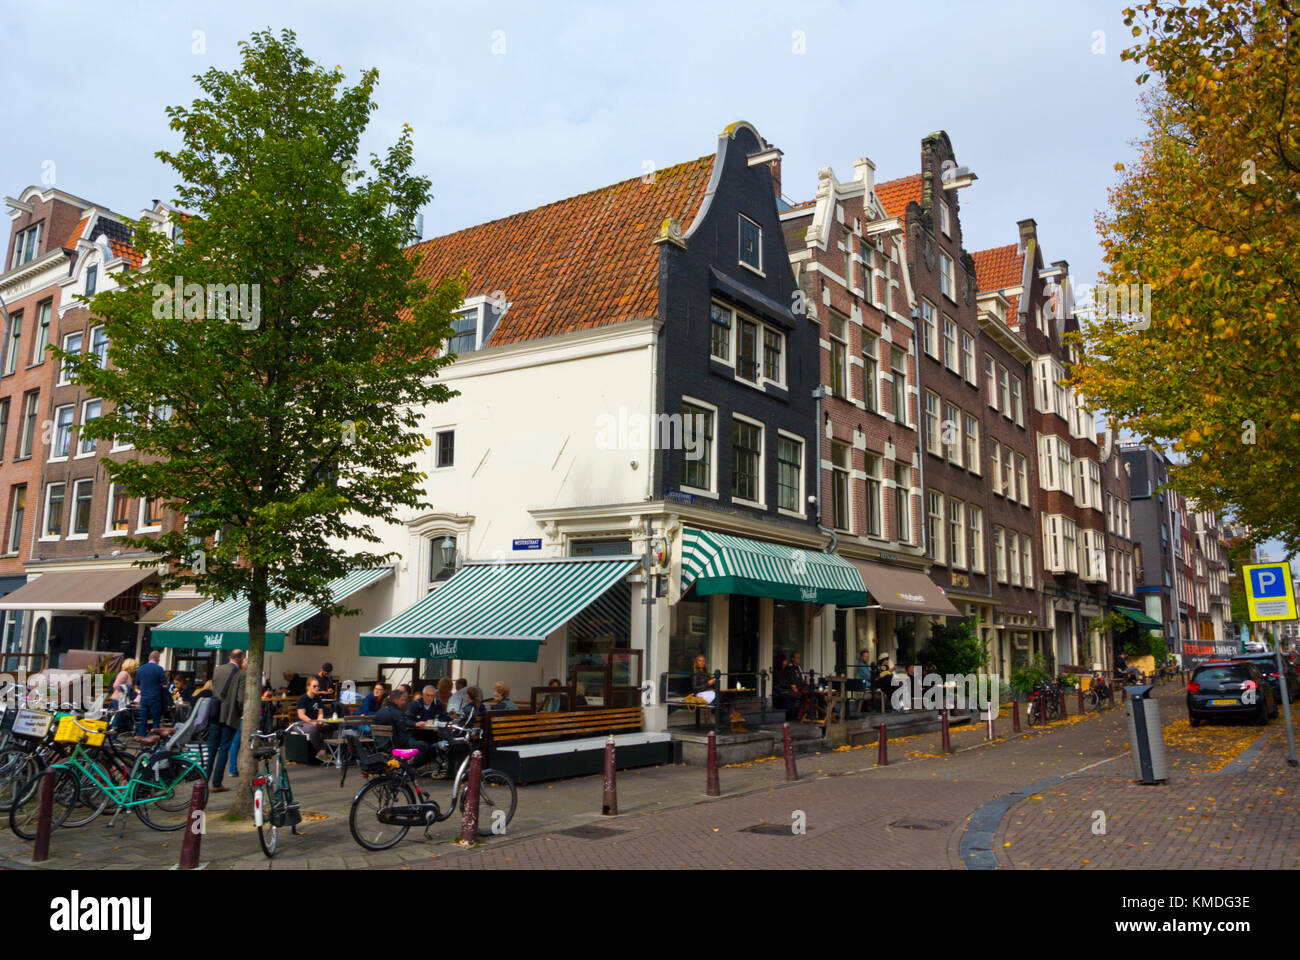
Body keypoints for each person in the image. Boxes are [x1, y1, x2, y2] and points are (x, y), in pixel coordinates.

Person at [206, 649, 246, 792]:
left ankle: (204, 780)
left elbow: (215, 689)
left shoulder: (218, 670)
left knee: (211, 749)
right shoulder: (242, 675)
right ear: (241, 659)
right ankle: (216, 783)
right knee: (224, 749)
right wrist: (241, 712)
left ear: (230, 657)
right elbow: (240, 699)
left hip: (215, 713)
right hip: (230, 716)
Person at [373, 687, 440, 768]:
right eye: (402, 700)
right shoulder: (397, 714)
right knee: (426, 747)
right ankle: (410, 767)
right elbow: (402, 737)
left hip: (381, 746)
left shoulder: (380, 712)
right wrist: (407, 750)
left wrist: (414, 724)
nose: (403, 702)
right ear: (395, 700)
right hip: (395, 747)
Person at [292, 677, 333, 763]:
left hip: (314, 721)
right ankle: (319, 751)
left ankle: (323, 750)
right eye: (314, 686)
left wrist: (320, 720)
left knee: (328, 727)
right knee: (313, 730)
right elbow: (301, 715)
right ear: (308, 687)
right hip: (301, 723)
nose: (317, 688)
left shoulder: (317, 699)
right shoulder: (303, 699)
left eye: (318, 686)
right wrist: (313, 723)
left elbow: (320, 712)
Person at [135, 651, 167, 737]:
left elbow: (137, 685)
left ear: (149, 658)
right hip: (155, 698)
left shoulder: (141, 668)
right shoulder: (159, 669)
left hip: (144, 698)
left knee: (143, 720)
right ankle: (154, 739)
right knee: (156, 720)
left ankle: (142, 740)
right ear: (158, 659)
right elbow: (164, 685)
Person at [110, 659, 137, 733]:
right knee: (118, 718)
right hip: (119, 699)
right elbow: (115, 685)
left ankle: (114, 737)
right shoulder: (124, 674)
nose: (134, 668)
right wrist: (125, 691)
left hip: (120, 699)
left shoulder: (126, 674)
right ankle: (113, 737)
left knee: (119, 717)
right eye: (134, 666)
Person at [856, 650, 875, 715]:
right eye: (865, 656)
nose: (867, 658)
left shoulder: (865, 665)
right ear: (861, 657)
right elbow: (869, 677)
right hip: (865, 684)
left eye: (868, 656)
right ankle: (874, 707)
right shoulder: (861, 665)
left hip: (868, 683)